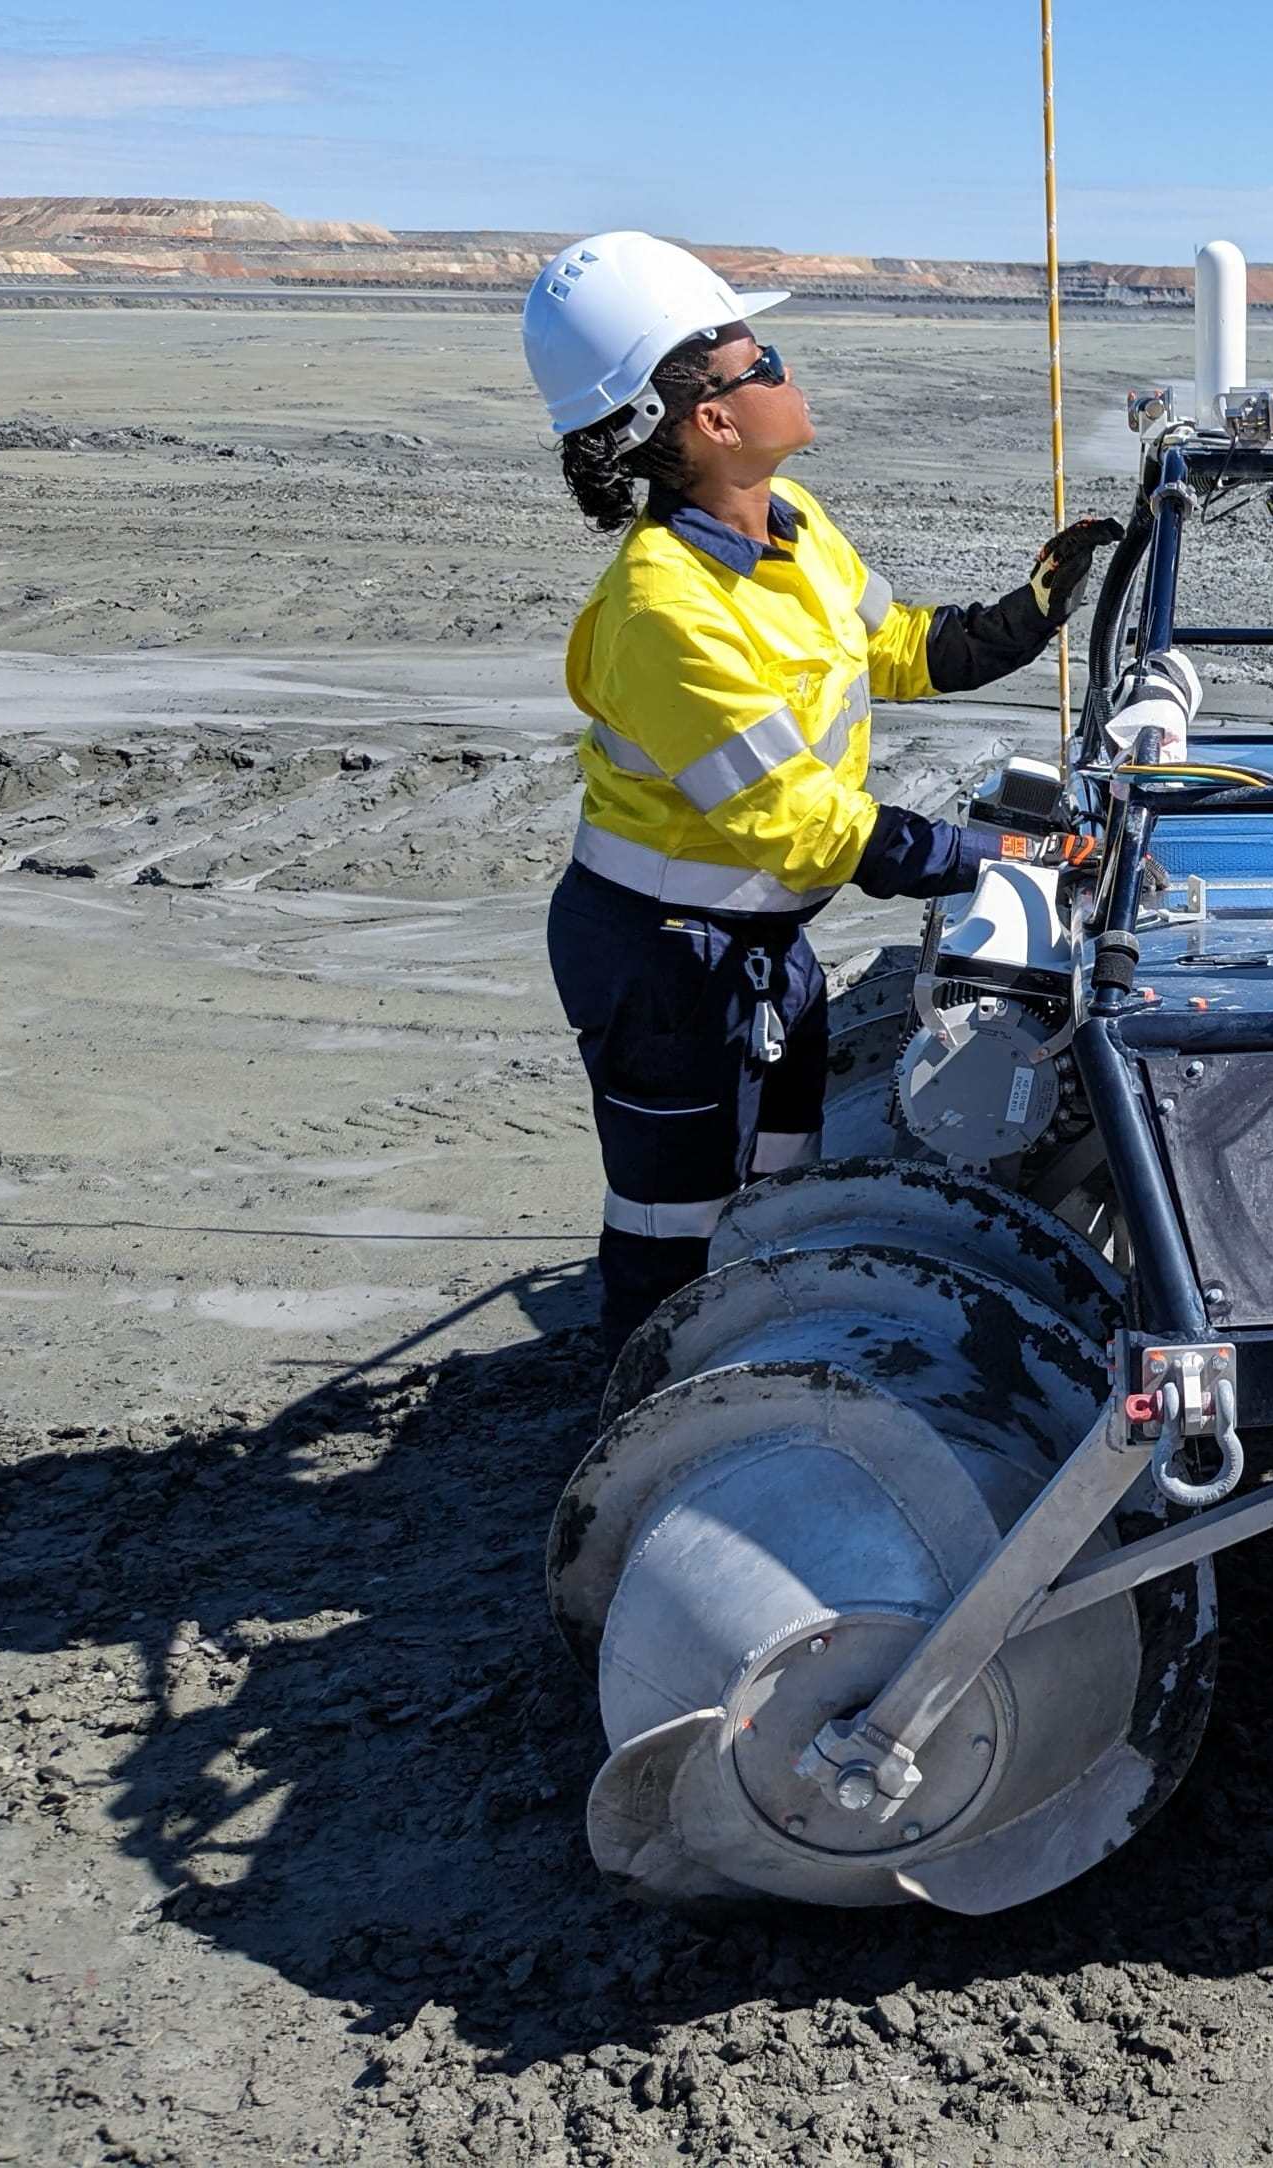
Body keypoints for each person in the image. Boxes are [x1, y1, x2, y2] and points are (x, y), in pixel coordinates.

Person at [519, 232, 1122, 1356]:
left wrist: (1023, 615)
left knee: (775, 1180)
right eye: (768, 360)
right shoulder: (666, 612)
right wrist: (991, 858)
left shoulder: (793, 530)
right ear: (711, 419)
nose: (792, 376)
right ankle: (652, 1397)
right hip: (667, 961)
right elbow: (800, 823)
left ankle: (753, 1347)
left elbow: (890, 647)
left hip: (754, 943)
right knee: (674, 1218)